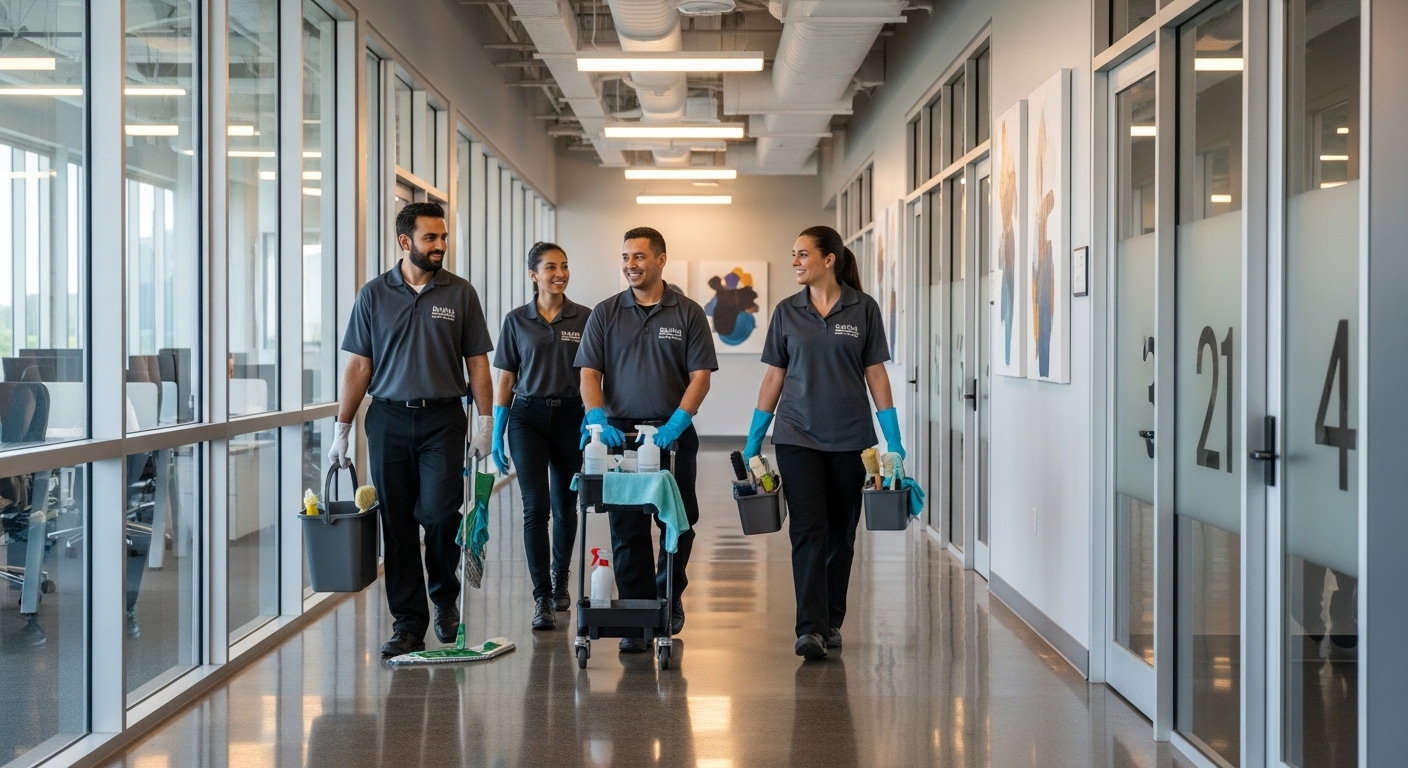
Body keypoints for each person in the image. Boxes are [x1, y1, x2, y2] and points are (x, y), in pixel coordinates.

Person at [330, 201, 495, 658]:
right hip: (388, 419)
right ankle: (407, 622)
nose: (440, 245)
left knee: (441, 514)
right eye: (431, 238)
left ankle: (445, 601)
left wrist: (486, 423)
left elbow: (477, 361)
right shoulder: (373, 294)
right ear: (405, 242)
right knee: (397, 522)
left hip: (443, 418)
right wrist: (342, 428)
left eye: (443, 237)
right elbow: (359, 365)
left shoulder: (460, 293)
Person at [745, 225, 906, 660]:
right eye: (793, 254)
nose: (795, 261)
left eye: (802, 254)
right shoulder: (786, 311)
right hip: (797, 437)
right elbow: (775, 375)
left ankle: (832, 618)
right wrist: (755, 437)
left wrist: (892, 437)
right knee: (807, 530)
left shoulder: (863, 309)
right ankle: (810, 628)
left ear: (828, 259)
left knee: (842, 536)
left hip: (853, 440)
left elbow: (876, 373)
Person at [575, 226, 717, 653]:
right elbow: (588, 373)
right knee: (626, 526)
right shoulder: (605, 312)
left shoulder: (687, 312)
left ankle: (667, 599)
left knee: (678, 521)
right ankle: (636, 616)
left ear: (660, 260)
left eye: (638, 257)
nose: (630, 265)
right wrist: (597, 418)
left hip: (670, 435)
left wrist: (677, 423)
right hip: (619, 435)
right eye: (624, 257)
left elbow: (700, 377)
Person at [491, 242, 589, 631]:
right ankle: (542, 596)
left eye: (564, 266)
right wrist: (496, 431)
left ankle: (561, 578)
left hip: (571, 418)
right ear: (534, 275)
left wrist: (593, 418)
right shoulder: (516, 320)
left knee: (567, 507)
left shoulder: (585, 318)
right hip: (527, 417)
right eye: (550, 267)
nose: (559, 273)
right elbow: (506, 379)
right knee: (536, 508)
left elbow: (593, 374)